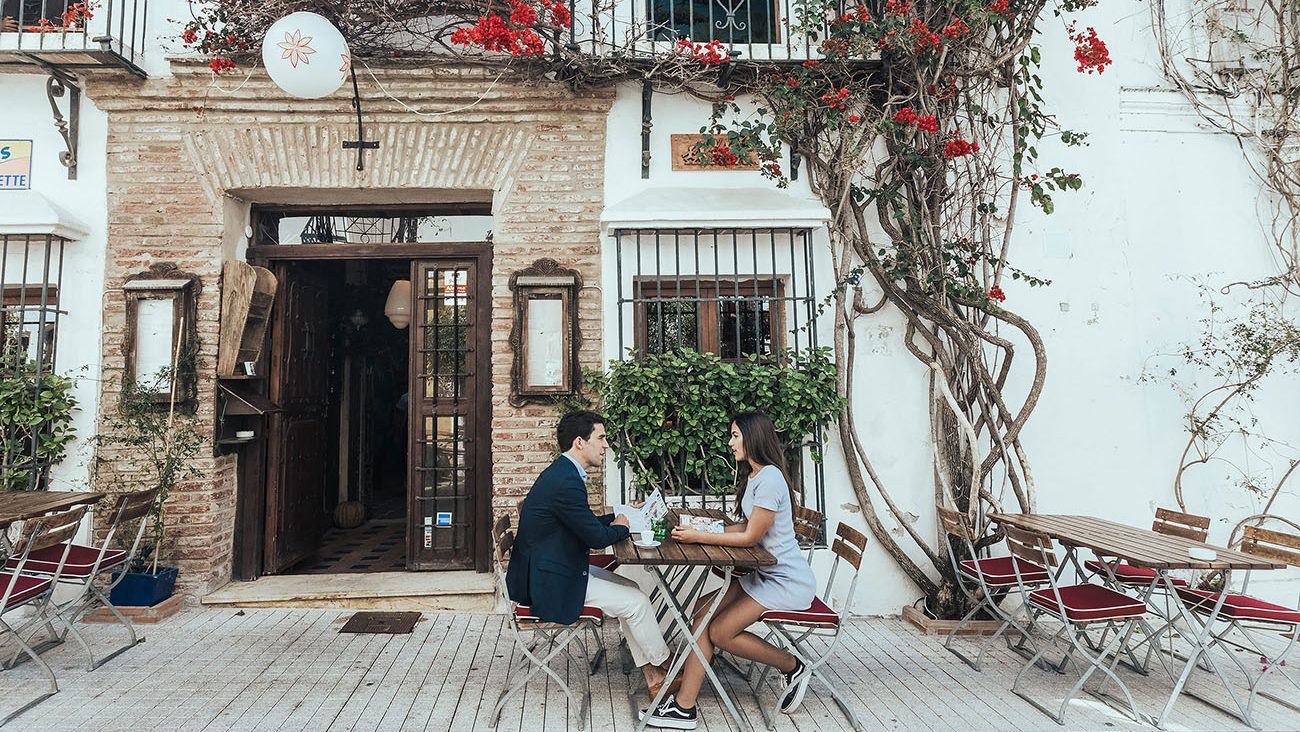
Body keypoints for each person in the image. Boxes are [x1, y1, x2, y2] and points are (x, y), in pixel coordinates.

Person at [642, 411, 817, 730]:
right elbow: (746, 526)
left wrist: (698, 536)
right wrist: (706, 525)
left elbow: (751, 537)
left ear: (753, 439)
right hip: (760, 574)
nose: (730, 441)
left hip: (784, 580)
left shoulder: (770, 479)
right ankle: (684, 702)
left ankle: (793, 665)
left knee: (720, 631)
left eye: (735, 435)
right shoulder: (754, 475)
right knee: (701, 611)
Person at [506, 410, 681, 699]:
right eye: (601, 438)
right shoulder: (566, 481)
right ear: (579, 442)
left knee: (632, 590)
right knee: (636, 602)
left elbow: (582, 522)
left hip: (554, 568)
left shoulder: (563, 473)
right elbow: (596, 539)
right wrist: (623, 526)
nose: (606, 445)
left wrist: (618, 516)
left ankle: (654, 677)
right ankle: (665, 664)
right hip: (552, 582)